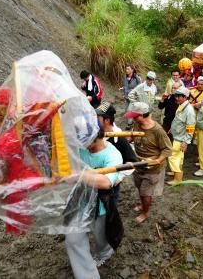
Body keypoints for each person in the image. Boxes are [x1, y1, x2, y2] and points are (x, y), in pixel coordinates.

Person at [65, 129, 123, 278]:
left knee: (101, 238)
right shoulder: (80, 147)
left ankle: (104, 253)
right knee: (73, 241)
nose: (85, 146)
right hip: (78, 202)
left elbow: (105, 182)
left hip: (101, 205)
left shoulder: (112, 155)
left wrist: (78, 175)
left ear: (99, 137)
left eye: (89, 143)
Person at [125, 102, 172, 223]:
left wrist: (156, 161)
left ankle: (145, 213)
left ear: (142, 115)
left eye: (134, 116)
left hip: (152, 168)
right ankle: (143, 205)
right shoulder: (137, 124)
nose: (133, 118)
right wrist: (126, 140)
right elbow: (132, 137)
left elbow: (167, 149)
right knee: (140, 188)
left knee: (146, 193)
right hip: (138, 164)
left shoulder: (158, 131)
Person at [96, 102, 139, 203]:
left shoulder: (118, 138)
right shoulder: (97, 132)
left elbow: (132, 161)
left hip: (110, 184)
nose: (95, 119)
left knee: (109, 208)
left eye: (98, 117)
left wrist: (119, 177)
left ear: (107, 120)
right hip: (96, 178)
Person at [166, 87, 196, 185]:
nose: (177, 98)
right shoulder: (182, 105)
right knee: (179, 157)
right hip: (177, 134)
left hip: (180, 138)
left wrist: (185, 142)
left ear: (185, 97)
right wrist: (172, 128)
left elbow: (190, 128)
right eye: (176, 96)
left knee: (173, 156)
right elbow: (178, 120)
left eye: (179, 96)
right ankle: (175, 172)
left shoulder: (189, 110)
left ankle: (177, 179)